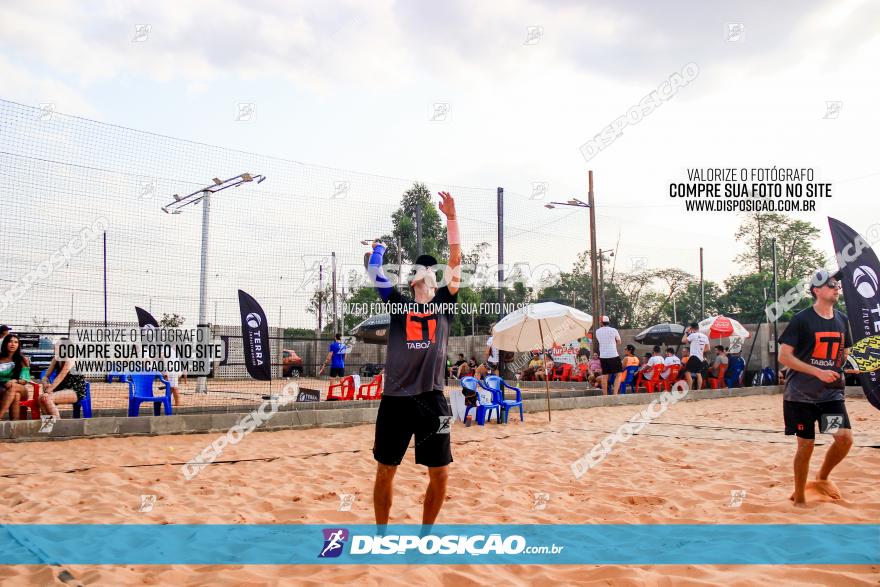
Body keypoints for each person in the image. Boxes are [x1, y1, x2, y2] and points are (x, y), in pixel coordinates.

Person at [366, 190, 460, 526]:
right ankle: (380, 535)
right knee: (385, 471)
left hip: (433, 401)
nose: (428, 270)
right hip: (395, 400)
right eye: (422, 267)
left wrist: (451, 219)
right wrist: (377, 250)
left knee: (441, 475)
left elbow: (455, 261)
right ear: (414, 279)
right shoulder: (398, 304)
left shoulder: (445, 306)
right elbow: (375, 272)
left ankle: (426, 535)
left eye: (432, 267)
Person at [778, 270, 853, 507]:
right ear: (816, 291)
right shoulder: (802, 319)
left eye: (837, 284)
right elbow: (784, 357)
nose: (836, 287)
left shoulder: (842, 320)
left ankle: (822, 478)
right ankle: (799, 496)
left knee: (843, 439)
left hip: (829, 397)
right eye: (831, 284)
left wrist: (852, 367)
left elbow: (845, 355)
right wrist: (817, 371)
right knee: (806, 445)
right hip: (800, 397)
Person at [39, 351, 88, 419]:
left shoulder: (70, 358)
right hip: (61, 389)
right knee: (41, 398)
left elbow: (60, 377)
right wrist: (45, 383)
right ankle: (48, 428)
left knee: (47, 398)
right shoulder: (55, 359)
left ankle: (59, 425)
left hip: (75, 390)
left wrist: (49, 389)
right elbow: (45, 376)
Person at [0, 334, 31, 420]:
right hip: (2, 389)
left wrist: (15, 381)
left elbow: (25, 380)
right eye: (10, 341)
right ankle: (14, 425)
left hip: (21, 388)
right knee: (16, 395)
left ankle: (0, 416)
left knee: (14, 388)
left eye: (16, 342)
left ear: (18, 345)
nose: (13, 344)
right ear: (5, 343)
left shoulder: (22, 359)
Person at [595, 316, 623, 395]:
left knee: (605, 375)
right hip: (613, 354)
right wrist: (613, 343)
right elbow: (619, 341)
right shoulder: (614, 330)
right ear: (608, 322)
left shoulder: (597, 331)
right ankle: (615, 394)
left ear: (601, 322)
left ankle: (605, 395)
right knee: (619, 374)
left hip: (603, 356)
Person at [681, 322, 709, 390]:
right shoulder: (705, 336)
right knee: (698, 373)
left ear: (691, 328)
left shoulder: (693, 335)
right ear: (698, 328)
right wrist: (700, 350)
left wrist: (686, 333)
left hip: (694, 357)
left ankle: (689, 390)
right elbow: (708, 348)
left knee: (687, 372)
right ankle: (698, 390)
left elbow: (683, 341)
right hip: (700, 358)